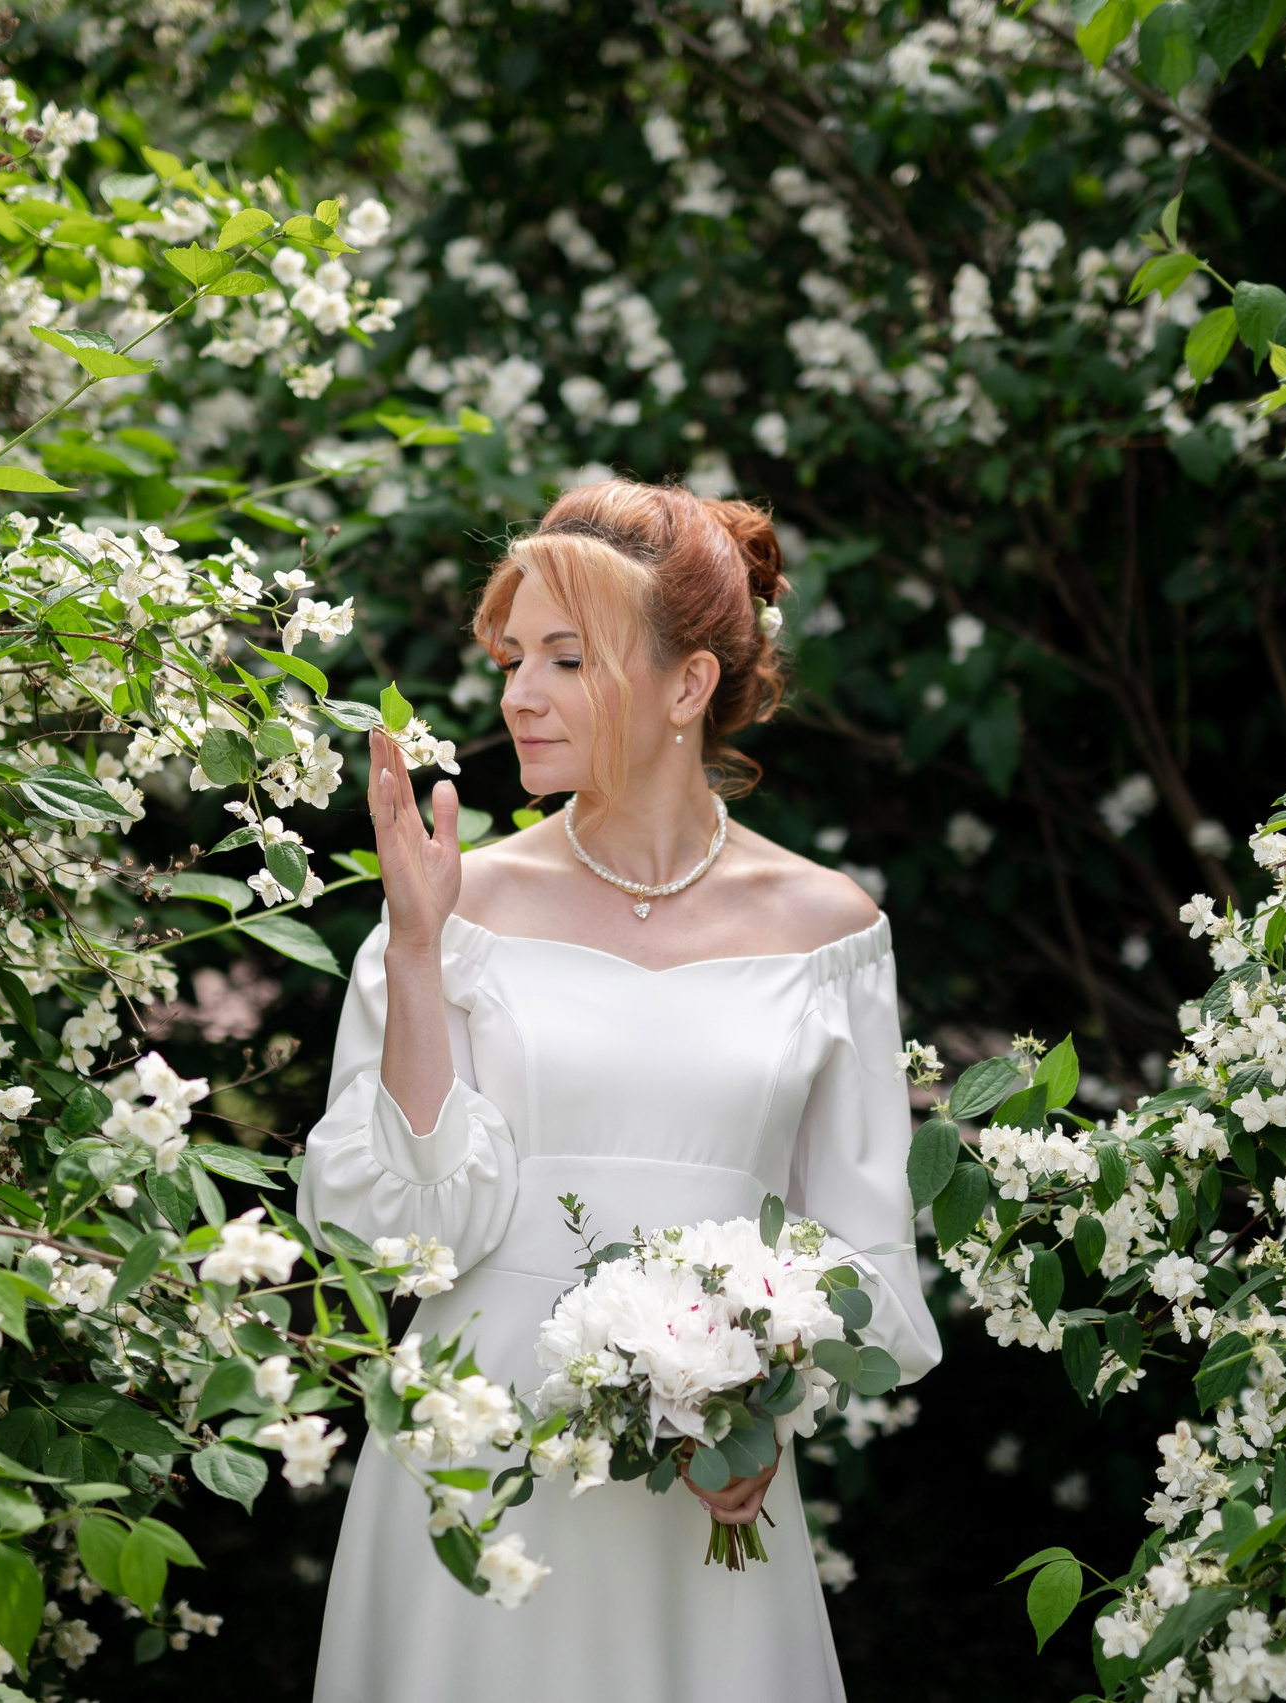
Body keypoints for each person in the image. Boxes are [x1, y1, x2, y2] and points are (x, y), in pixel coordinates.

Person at [295, 479, 943, 1703]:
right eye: (510, 657)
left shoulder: (831, 931)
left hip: (700, 1496)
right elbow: (408, 1241)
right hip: (474, 1462)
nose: (516, 695)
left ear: (687, 685)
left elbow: (864, 1251)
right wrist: (420, 952)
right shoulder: (450, 904)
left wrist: (772, 1399)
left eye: (564, 658)